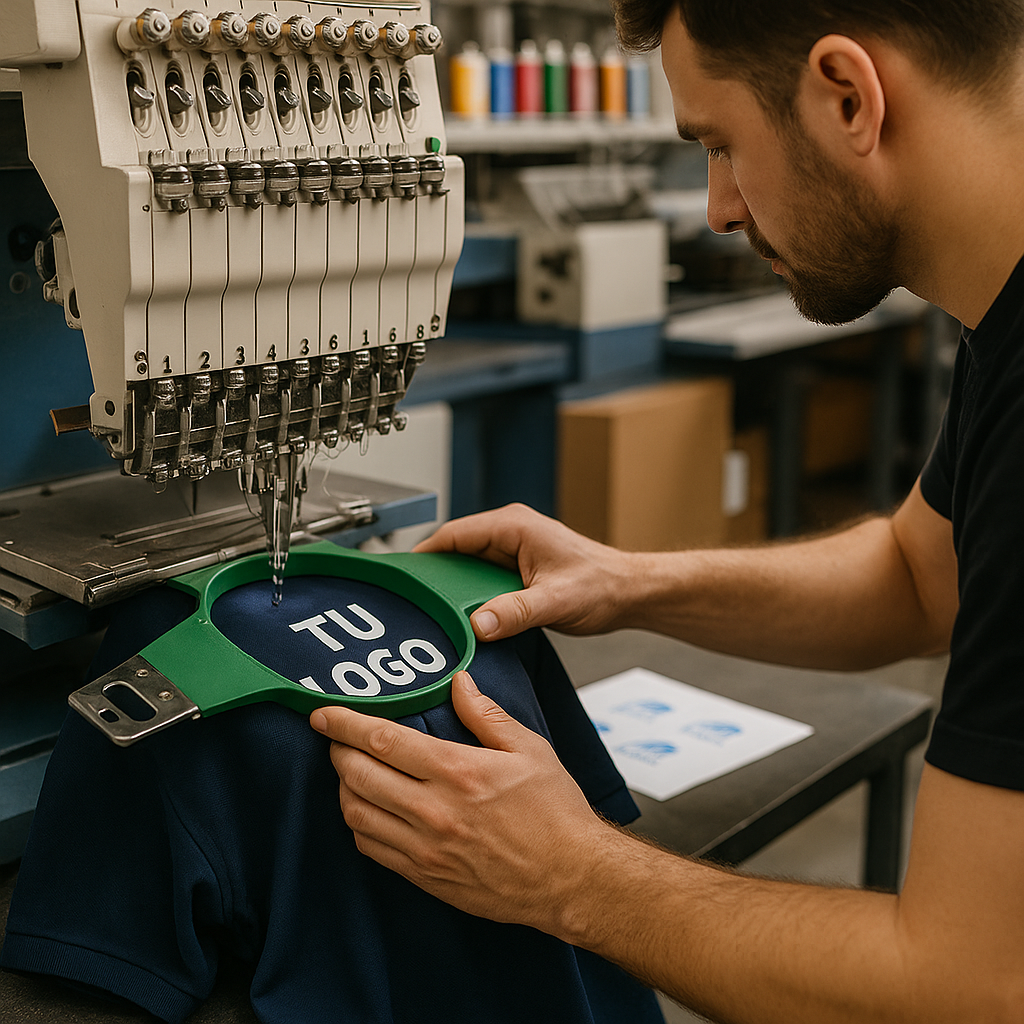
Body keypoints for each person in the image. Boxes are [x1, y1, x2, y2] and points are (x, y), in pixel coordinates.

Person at [309, 1, 1024, 1020]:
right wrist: (629, 580)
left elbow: (971, 989)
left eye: (721, 144)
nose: (719, 206)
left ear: (846, 97)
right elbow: (919, 576)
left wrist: (569, 873)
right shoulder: (1000, 310)